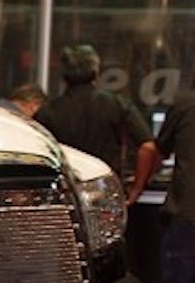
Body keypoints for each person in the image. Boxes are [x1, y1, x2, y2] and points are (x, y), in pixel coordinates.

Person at [35, 45, 159, 204]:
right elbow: (148, 147)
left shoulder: (47, 112)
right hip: (105, 192)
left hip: (64, 196)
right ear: (96, 72)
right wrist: (137, 188)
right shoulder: (117, 104)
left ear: (63, 76)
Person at [154, 88, 195, 283]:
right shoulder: (185, 104)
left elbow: (158, 149)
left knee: (178, 278)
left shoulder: (184, 104)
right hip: (187, 209)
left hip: (187, 210)